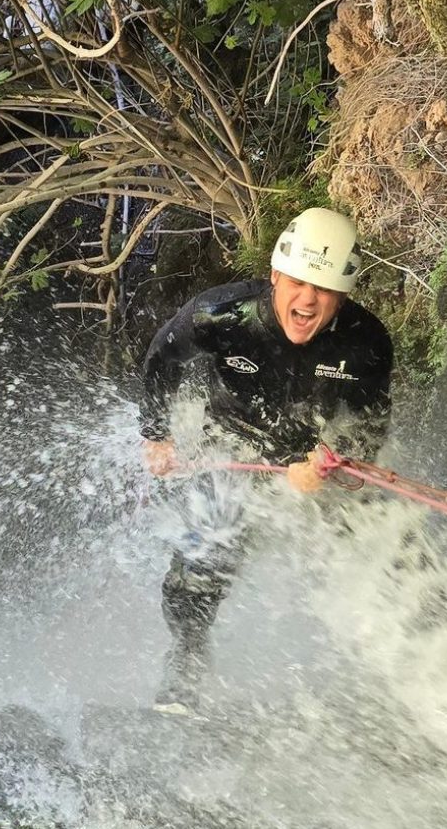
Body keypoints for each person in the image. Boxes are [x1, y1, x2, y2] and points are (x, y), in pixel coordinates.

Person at [140, 207, 395, 712]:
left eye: (323, 289)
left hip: (308, 454)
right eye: (297, 281)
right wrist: (156, 435)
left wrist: (330, 463)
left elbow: (370, 423)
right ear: (275, 275)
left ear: (343, 296)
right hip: (230, 445)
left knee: (380, 550)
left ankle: (379, 679)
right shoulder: (222, 315)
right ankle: (188, 655)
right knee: (208, 546)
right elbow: (160, 360)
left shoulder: (366, 343)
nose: (307, 299)